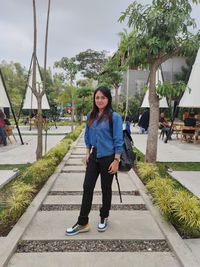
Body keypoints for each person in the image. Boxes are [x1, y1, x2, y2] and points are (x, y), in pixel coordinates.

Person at [66, 86, 124, 236]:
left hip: (109, 158)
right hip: (94, 156)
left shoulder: (114, 117)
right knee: (87, 187)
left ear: (108, 99)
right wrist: (87, 152)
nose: (99, 100)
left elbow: (119, 140)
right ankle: (82, 222)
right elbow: (87, 136)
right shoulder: (91, 115)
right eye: (97, 97)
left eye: (103, 97)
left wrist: (116, 160)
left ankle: (104, 217)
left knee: (106, 189)